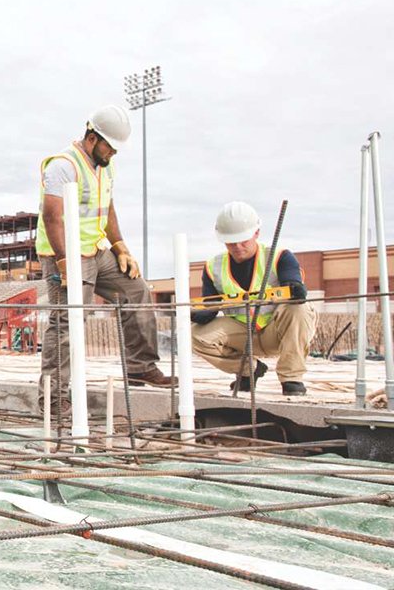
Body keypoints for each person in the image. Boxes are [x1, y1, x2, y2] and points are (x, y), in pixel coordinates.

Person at [36, 105, 176, 410]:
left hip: (97, 249)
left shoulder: (106, 166)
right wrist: (64, 262)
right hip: (66, 251)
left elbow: (107, 208)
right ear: (91, 138)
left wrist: (120, 246)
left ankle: (140, 367)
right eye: (109, 147)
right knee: (68, 321)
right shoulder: (62, 166)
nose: (112, 153)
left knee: (136, 291)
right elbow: (52, 217)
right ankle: (53, 397)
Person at [191, 202, 314, 396]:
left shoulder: (279, 257)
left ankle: (291, 378)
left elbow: (294, 287)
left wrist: (294, 287)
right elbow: (210, 305)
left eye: (243, 241)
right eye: (231, 242)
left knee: (298, 308)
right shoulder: (213, 267)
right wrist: (199, 313)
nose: (237, 247)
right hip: (242, 333)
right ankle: (249, 370)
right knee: (193, 335)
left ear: (256, 233)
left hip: (277, 331)